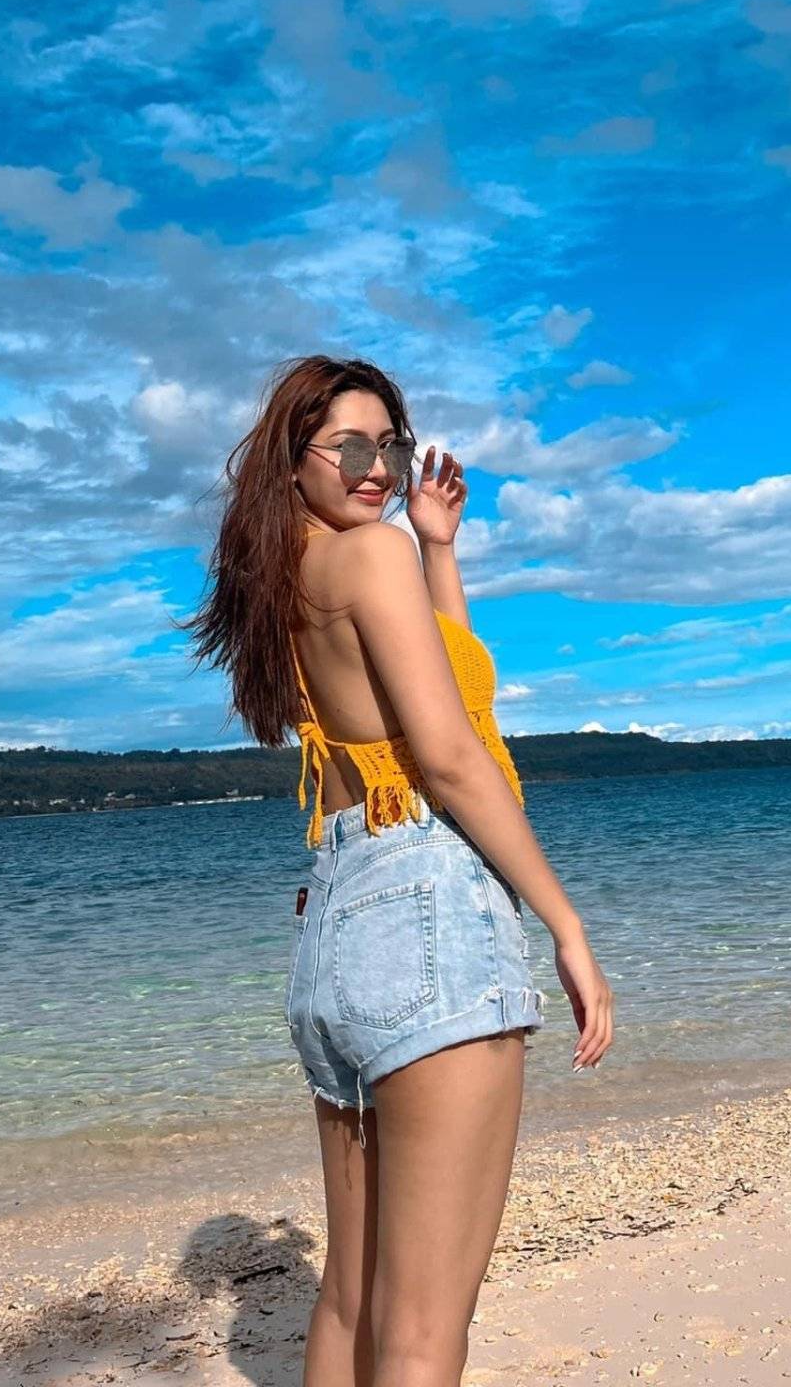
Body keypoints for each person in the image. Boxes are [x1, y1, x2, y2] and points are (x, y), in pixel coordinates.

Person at [186, 353, 612, 1387]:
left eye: (390, 446)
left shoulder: (289, 584)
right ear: (293, 459)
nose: (375, 468)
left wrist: (439, 548)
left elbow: (446, 686)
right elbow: (452, 756)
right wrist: (565, 925)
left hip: (339, 920)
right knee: (424, 1328)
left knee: (351, 1293)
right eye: (349, 449)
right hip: (428, 903)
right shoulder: (368, 557)